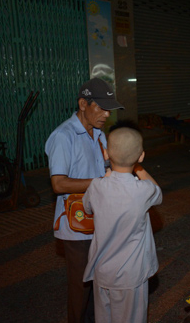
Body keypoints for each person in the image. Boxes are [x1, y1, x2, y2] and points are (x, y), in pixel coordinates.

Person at [45, 77, 124, 323]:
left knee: (100, 283)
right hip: (76, 226)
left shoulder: (99, 134)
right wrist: (101, 183)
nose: (105, 114)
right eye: (100, 107)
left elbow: (105, 166)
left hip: (100, 220)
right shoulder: (63, 136)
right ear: (83, 104)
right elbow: (58, 183)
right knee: (81, 287)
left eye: (108, 109)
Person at [82, 127, 163, 323]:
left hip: (102, 272)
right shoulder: (142, 190)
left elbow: (87, 208)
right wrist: (139, 169)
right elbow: (158, 193)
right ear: (141, 156)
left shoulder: (96, 186)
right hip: (131, 275)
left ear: (106, 154)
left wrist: (106, 177)